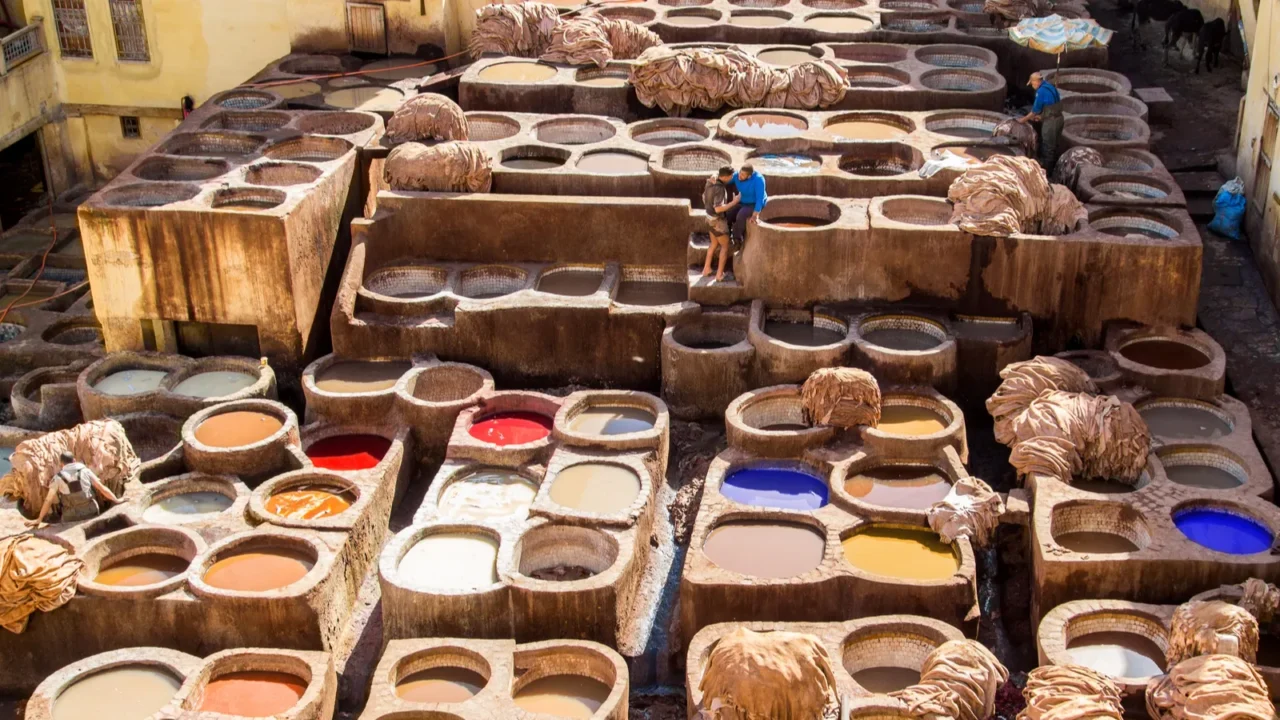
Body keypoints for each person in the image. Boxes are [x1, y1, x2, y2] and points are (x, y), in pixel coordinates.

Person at [26, 452, 120, 526]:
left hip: (71, 516)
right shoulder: (85, 471)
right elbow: (102, 488)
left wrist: (39, 519)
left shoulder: (58, 478)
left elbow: (48, 500)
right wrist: (117, 500)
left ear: (61, 464)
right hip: (91, 511)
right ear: (74, 460)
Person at [1017, 71, 1063, 171]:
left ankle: (1047, 172)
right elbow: (1052, 106)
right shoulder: (1050, 86)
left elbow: (1034, 111)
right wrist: (1041, 117)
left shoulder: (1040, 92)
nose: (1032, 86)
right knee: (1055, 145)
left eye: (1032, 83)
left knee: (1047, 147)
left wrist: (1023, 120)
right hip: (1059, 119)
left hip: (1051, 124)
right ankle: (1055, 168)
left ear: (1036, 81)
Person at [701, 166, 739, 282]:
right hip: (717, 222)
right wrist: (734, 202)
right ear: (726, 177)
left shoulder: (710, 182)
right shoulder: (720, 189)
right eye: (731, 176)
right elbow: (718, 208)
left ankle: (706, 269)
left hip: (709, 219)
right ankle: (719, 275)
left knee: (713, 244)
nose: (732, 178)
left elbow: (703, 197)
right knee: (725, 246)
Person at [726, 164, 767, 249]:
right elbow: (725, 179)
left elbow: (759, 199)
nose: (739, 176)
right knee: (729, 213)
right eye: (740, 173)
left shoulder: (759, 180)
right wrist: (715, 177)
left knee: (741, 215)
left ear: (749, 176)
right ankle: (727, 235)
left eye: (742, 175)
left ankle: (737, 240)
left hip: (754, 203)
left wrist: (755, 215)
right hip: (743, 201)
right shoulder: (737, 175)